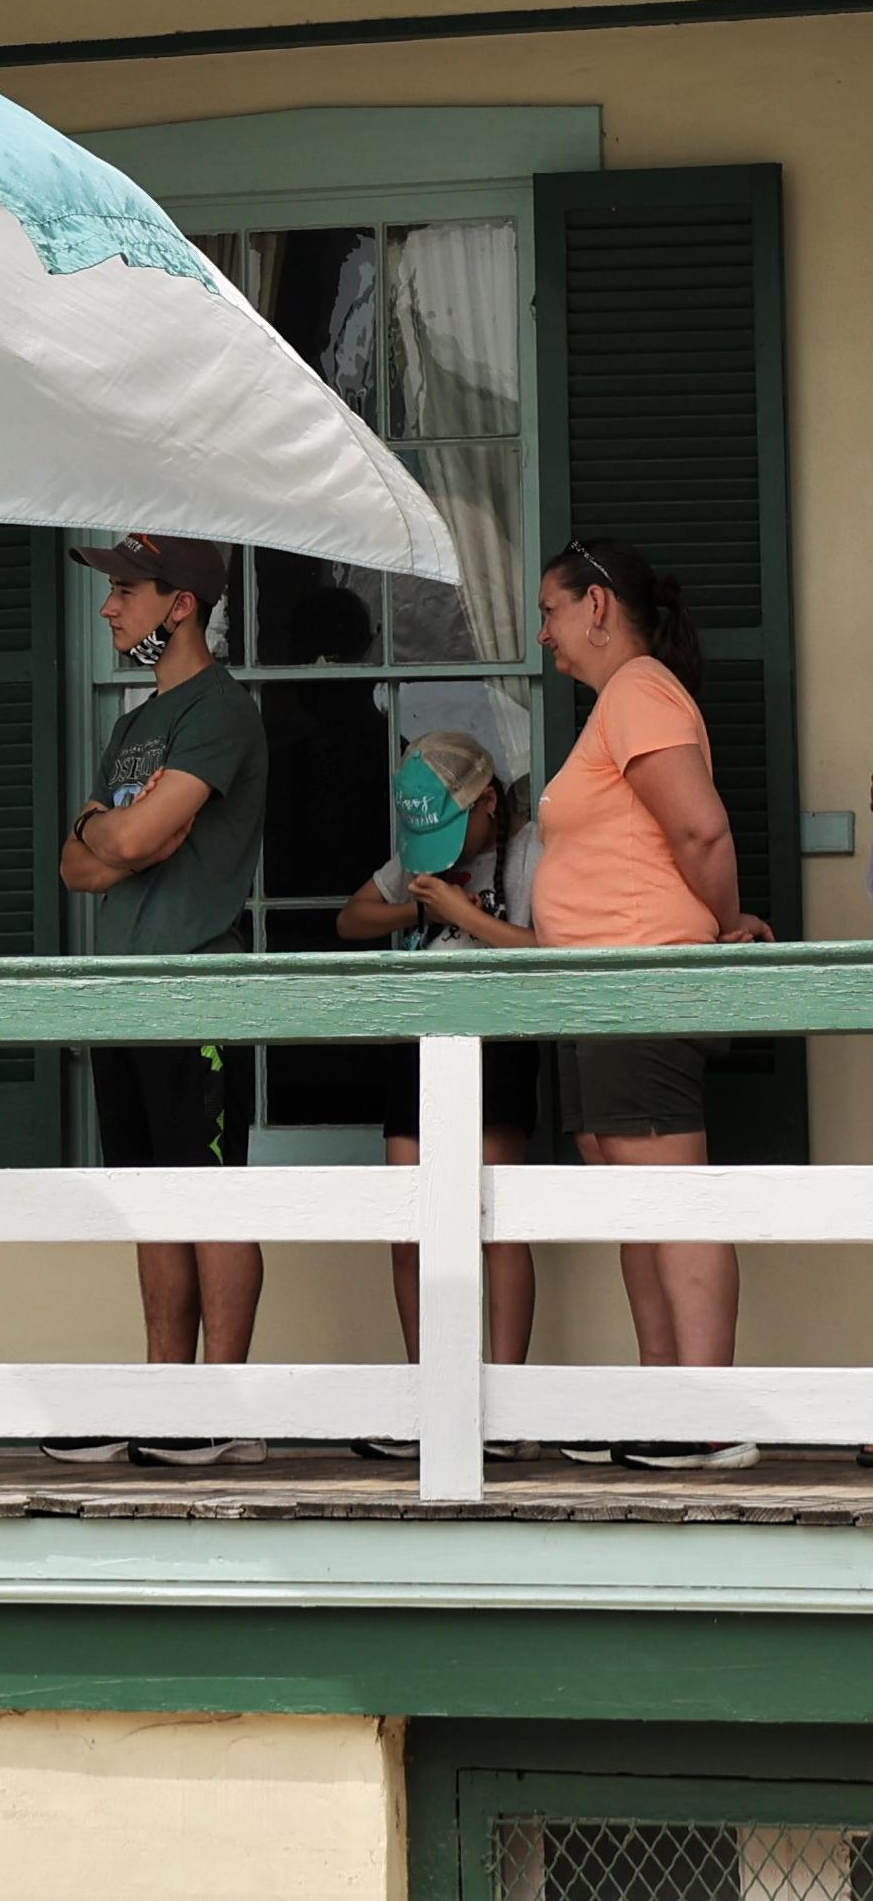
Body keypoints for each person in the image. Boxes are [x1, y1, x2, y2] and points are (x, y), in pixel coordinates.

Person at [533, 534, 770, 1471]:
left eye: (551, 610)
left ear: (597, 606)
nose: (544, 634)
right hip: (601, 990)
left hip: (642, 980)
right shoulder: (618, 705)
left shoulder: (641, 691)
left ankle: (706, 1417)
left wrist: (721, 925)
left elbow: (700, 826)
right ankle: (662, 1400)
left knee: (670, 1193)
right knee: (636, 1195)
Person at [51, 531, 269, 1468]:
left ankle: (224, 1407)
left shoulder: (220, 710)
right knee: (149, 1199)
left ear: (180, 604)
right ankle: (164, 1396)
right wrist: (114, 827)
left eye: (126, 593)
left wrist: (117, 833)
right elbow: (79, 868)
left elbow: (131, 850)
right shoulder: (134, 724)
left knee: (210, 1193)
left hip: (196, 990)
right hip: (123, 992)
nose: (109, 609)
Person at [335, 732, 542, 1418]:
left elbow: (555, 947)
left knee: (496, 1218)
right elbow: (351, 917)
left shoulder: (530, 850)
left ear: (488, 801)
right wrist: (421, 908)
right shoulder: (419, 860)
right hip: (418, 1038)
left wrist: (467, 918)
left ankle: (505, 1406)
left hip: (500, 1037)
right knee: (410, 1221)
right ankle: (430, 1399)